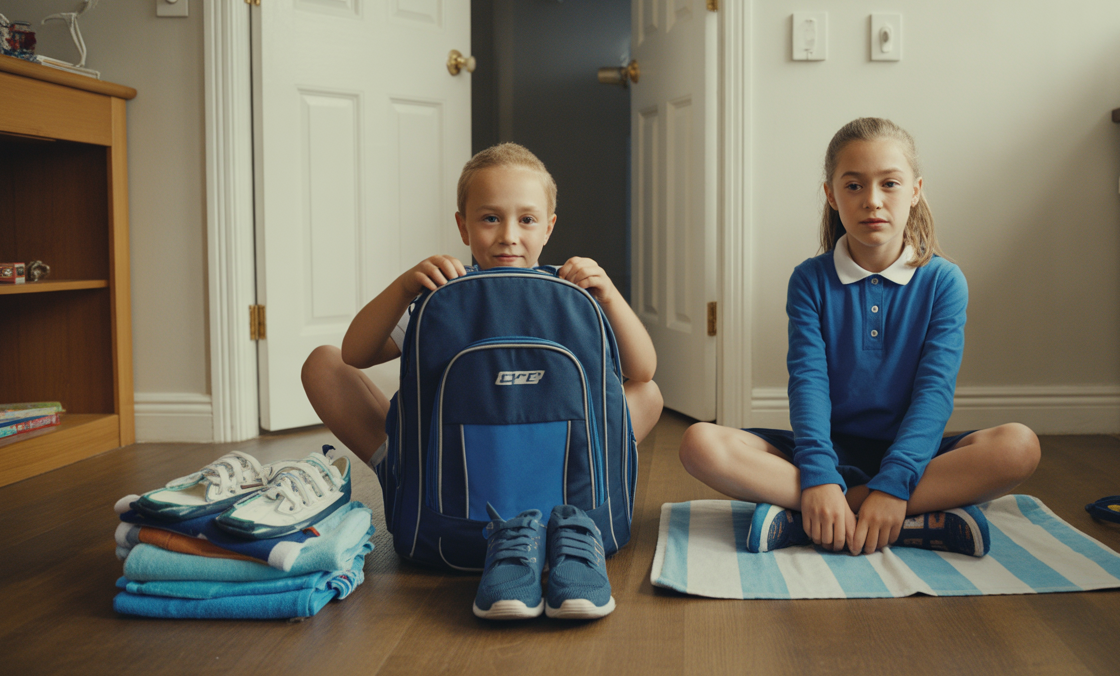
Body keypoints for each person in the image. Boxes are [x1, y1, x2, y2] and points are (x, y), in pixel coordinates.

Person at [679, 117, 1040, 557]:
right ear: (831, 195)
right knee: (700, 444)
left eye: (890, 184)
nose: (872, 200)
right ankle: (895, 518)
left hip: (916, 456)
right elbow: (808, 384)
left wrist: (894, 483)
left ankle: (820, 517)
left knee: (1018, 447)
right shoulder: (809, 281)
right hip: (826, 451)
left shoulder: (944, 282)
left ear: (915, 190)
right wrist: (819, 476)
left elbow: (934, 393)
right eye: (854, 186)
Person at [302, 142, 664, 479]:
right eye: (491, 218)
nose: (508, 235)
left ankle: (581, 480)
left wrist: (609, 295)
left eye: (527, 220)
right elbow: (355, 354)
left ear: (548, 229)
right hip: (453, 459)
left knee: (648, 394)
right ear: (463, 227)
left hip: (552, 451)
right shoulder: (443, 294)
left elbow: (643, 370)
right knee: (323, 364)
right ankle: (405, 476)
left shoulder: (572, 293)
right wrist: (404, 287)